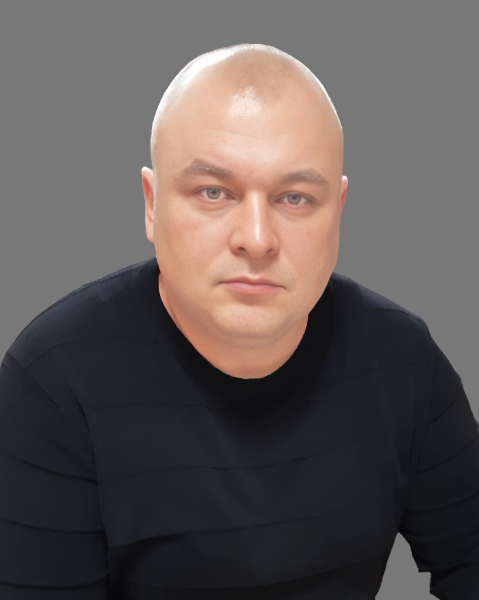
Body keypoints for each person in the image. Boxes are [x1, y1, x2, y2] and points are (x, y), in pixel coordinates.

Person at [0, 43, 477, 600]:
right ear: (152, 205)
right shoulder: (54, 382)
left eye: (294, 198)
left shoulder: (405, 361)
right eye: (213, 192)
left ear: (339, 211)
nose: (256, 238)